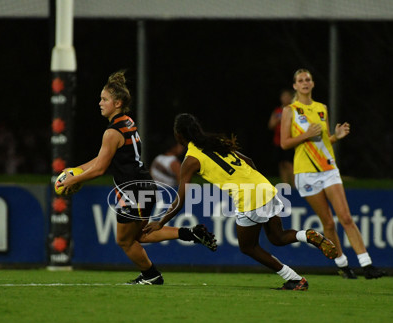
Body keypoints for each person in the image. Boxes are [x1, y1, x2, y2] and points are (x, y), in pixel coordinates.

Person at [143, 113, 338, 291]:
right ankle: (307, 235)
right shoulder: (216, 142)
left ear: (179, 136)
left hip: (249, 198)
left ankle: (295, 279)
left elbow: (181, 198)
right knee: (277, 237)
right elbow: (250, 161)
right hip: (264, 186)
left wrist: (160, 222)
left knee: (248, 247)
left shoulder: (191, 159)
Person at [57, 71, 217, 285]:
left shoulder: (111, 132)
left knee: (124, 240)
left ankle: (152, 275)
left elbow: (100, 168)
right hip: (144, 187)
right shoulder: (127, 122)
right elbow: (102, 158)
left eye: (105, 99)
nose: (100, 103)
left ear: (118, 102)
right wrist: (77, 168)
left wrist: (73, 180)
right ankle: (190, 234)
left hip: (133, 192)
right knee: (140, 235)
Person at [280, 68, 385, 280]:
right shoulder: (290, 110)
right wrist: (306, 135)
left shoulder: (321, 108)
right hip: (306, 174)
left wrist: (335, 137)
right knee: (328, 223)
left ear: (312, 83)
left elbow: (323, 141)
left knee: (345, 216)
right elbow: (284, 143)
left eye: (308, 79)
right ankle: (342, 264)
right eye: (300, 80)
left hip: (328, 169)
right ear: (295, 86)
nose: (305, 83)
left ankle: (367, 264)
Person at [267, 89, 295, 186]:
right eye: (283, 97)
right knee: (282, 164)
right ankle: (285, 185)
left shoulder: (294, 110)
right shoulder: (277, 111)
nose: (285, 99)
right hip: (278, 142)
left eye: (287, 97)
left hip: (290, 142)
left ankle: (295, 187)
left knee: (289, 163)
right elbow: (271, 125)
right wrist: (279, 119)